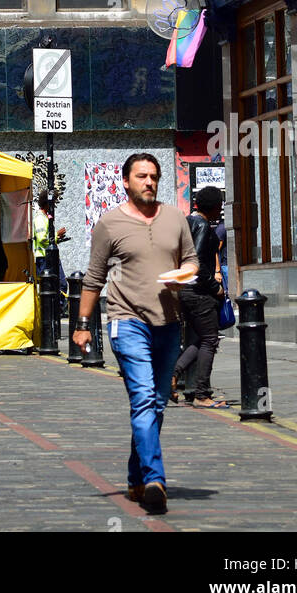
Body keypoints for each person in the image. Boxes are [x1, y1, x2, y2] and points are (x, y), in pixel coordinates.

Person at [73, 153, 198, 514]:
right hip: (127, 321)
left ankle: (135, 478)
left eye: (154, 176)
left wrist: (186, 272)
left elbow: (190, 259)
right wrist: (83, 327)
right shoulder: (110, 224)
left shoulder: (176, 218)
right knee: (143, 399)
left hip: (170, 323)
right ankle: (155, 479)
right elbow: (94, 279)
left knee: (156, 405)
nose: (149, 182)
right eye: (142, 176)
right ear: (125, 181)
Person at [171, 187, 226, 408]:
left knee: (199, 339)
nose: (220, 210)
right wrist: (216, 288)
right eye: (219, 206)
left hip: (184, 289)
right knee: (210, 340)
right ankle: (202, 394)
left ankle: (171, 375)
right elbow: (199, 265)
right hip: (198, 292)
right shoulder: (202, 226)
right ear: (214, 207)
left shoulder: (186, 222)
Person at [33, 190, 69, 295]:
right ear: (48, 203)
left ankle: (58, 309)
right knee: (58, 285)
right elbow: (42, 239)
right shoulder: (40, 219)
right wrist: (57, 235)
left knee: (57, 285)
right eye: (53, 203)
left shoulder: (45, 218)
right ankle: (58, 309)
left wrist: (57, 237)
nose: (54, 205)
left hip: (49, 257)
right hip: (45, 258)